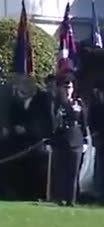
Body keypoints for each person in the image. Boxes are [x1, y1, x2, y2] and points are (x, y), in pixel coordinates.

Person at [49, 75, 88, 206]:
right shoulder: (57, 103)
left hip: (76, 139)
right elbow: (52, 121)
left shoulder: (79, 103)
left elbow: (83, 122)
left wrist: (86, 141)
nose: (67, 90)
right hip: (61, 139)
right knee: (61, 172)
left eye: (69, 87)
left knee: (73, 172)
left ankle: (72, 199)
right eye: (65, 87)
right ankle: (60, 198)